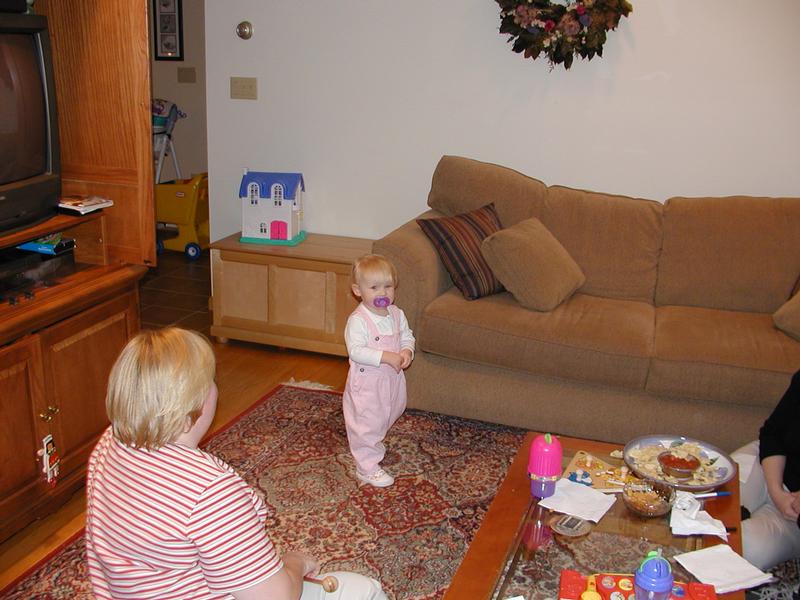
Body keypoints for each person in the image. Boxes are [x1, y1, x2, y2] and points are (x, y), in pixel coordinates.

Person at [85, 327, 387, 600]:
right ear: (197, 403)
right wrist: (295, 562)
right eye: (210, 381)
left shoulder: (109, 442)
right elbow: (276, 598)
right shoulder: (208, 491)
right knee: (364, 590)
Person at [343, 254, 415, 487]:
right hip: (368, 385)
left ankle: (373, 441)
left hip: (392, 381)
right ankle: (366, 466)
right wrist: (385, 356)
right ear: (358, 290)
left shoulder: (396, 314)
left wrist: (406, 351)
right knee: (367, 422)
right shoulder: (359, 320)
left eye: (388, 286)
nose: (382, 293)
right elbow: (356, 351)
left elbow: (407, 335)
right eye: (374, 288)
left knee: (389, 413)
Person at [732, 369, 800, 571]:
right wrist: (776, 491)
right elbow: (772, 433)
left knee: (742, 549)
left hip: (793, 515)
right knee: (709, 505)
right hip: (769, 464)